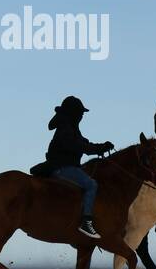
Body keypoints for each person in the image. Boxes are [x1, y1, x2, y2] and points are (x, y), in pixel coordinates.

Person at [42, 96, 112, 239]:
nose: (81, 116)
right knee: (91, 185)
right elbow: (78, 146)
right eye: (80, 113)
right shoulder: (66, 128)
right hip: (62, 168)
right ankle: (86, 222)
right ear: (73, 113)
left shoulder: (69, 126)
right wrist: (99, 149)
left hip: (64, 166)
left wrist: (100, 147)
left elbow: (83, 143)